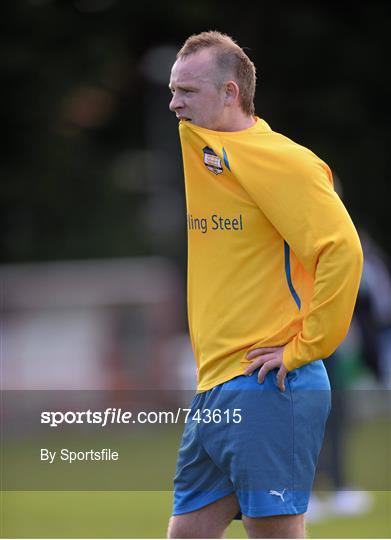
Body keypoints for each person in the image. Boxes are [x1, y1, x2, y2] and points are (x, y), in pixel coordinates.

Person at [167, 31, 363, 539]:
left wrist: (307, 346)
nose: (173, 104)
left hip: (268, 384)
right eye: (172, 90)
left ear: (231, 92)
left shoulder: (285, 161)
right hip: (214, 386)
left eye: (186, 91)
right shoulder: (201, 142)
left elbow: (343, 251)